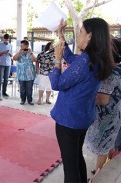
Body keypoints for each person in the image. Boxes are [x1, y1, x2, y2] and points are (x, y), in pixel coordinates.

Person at [49, 18, 114, 183]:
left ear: (90, 36)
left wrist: (57, 60)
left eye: (81, 32)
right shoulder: (97, 58)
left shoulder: (86, 60)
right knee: (77, 156)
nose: (78, 35)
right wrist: (60, 35)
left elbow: (57, 84)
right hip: (82, 118)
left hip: (69, 119)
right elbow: (72, 59)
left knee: (70, 166)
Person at [85, 38, 121, 175]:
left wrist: (83, 94)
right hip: (117, 114)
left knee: (102, 147)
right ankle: (109, 163)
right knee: (110, 143)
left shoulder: (109, 75)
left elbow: (102, 100)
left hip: (106, 118)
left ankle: (100, 174)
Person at [13, 40, 36, 105]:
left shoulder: (31, 53)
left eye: (22, 45)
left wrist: (31, 53)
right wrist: (19, 52)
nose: (21, 47)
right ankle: (22, 100)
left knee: (29, 89)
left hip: (30, 74)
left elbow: (35, 60)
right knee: (22, 89)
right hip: (21, 74)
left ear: (26, 46)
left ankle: (30, 100)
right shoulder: (20, 53)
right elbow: (14, 58)